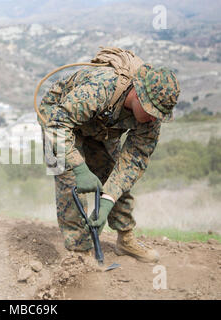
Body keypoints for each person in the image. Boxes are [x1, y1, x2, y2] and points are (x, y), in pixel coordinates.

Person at [38, 62, 180, 263]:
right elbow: (57, 125)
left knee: (115, 173)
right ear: (138, 94)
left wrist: (108, 200)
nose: (153, 118)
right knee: (69, 183)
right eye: (151, 111)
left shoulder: (151, 119)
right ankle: (79, 253)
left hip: (99, 128)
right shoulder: (100, 88)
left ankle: (126, 238)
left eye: (158, 115)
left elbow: (133, 162)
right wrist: (79, 168)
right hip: (57, 123)